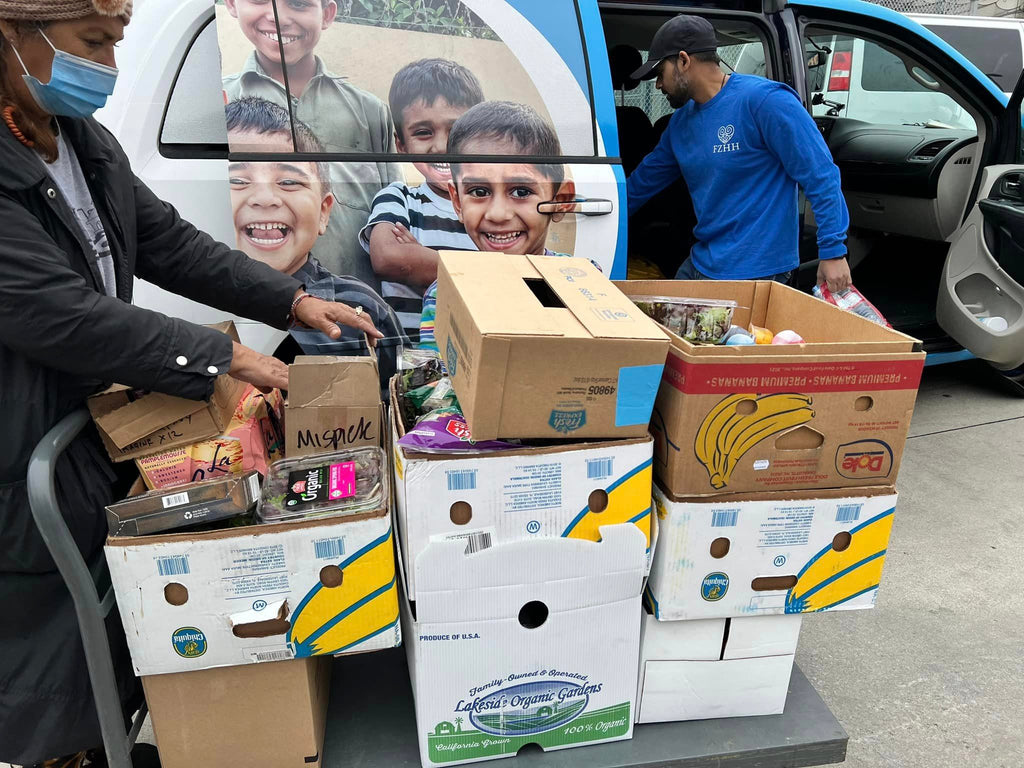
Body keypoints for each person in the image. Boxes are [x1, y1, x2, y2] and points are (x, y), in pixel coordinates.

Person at [0, 4, 381, 766]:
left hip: (94, 419)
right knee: (47, 625)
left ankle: (112, 736)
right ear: (12, 34)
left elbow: (169, 244)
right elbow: (58, 314)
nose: (106, 65)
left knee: (113, 604)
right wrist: (221, 359)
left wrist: (292, 298)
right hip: (23, 433)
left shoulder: (83, 142)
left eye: (114, 45)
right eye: (92, 45)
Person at [627, 15, 852, 291]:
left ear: (684, 61)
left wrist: (833, 251)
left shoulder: (765, 102)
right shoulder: (680, 124)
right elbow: (642, 183)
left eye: (660, 73)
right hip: (702, 263)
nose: (658, 85)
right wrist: (580, 208)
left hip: (757, 272)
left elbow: (819, 173)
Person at [226, 97, 406, 392]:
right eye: (237, 180)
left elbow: (399, 408)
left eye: (288, 182)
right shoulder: (184, 306)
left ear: (324, 212)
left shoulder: (361, 308)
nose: (265, 198)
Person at [222, 0, 402, 286]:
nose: (278, 18)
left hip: (353, 312)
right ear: (232, 4)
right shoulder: (220, 106)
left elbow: (392, 216)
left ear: (327, 14)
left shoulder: (369, 112)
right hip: (250, 307)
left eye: (298, 3)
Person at [419, 101, 577, 347]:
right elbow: (435, 379)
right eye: (479, 191)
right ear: (457, 201)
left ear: (560, 200)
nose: (498, 214)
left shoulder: (580, 284)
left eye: (522, 192)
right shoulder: (446, 295)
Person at [359, 58, 484, 340]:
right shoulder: (399, 198)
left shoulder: (491, 206)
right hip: (415, 362)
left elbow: (509, 280)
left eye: (456, 131)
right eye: (423, 132)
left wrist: (422, 259)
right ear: (401, 145)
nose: (441, 146)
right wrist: (481, 276)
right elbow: (390, 257)